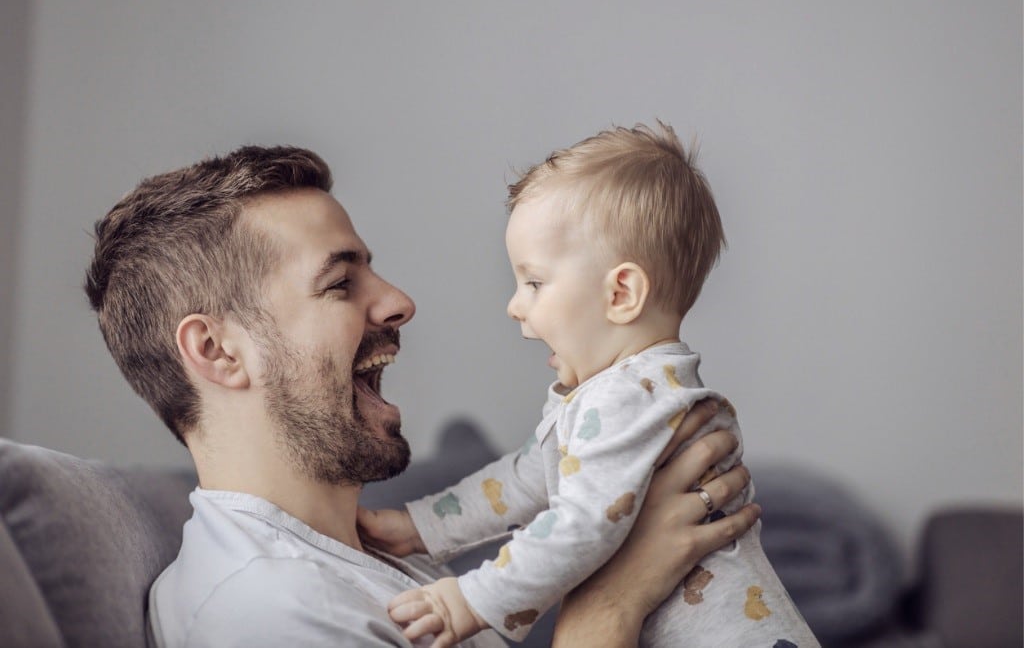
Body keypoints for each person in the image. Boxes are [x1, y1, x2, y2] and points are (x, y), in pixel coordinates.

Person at [84, 144, 761, 647]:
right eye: (340, 284)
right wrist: (612, 600)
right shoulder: (265, 612)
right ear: (218, 351)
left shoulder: (361, 558)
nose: (400, 302)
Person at [360, 123, 817, 647]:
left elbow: (580, 529)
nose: (514, 306)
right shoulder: (619, 394)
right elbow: (522, 480)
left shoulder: (630, 397)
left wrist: (472, 599)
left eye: (533, 282)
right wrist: (420, 528)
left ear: (621, 293)